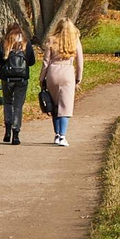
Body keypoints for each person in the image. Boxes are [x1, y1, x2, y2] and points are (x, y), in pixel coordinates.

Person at [44, 18, 83, 146]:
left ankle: (56, 134)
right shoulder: (75, 40)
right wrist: (78, 78)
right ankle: (63, 136)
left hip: (53, 73)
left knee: (55, 106)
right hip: (67, 73)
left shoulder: (51, 40)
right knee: (65, 106)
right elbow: (80, 62)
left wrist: (42, 78)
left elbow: (45, 62)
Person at [0, 23, 34, 145]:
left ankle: (7, 130)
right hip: (21, 79)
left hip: (7, 79)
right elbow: (31, 62)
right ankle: (16, 133)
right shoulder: (26, 44)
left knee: (8, 102)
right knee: (18, 105)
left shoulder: (5, 43)